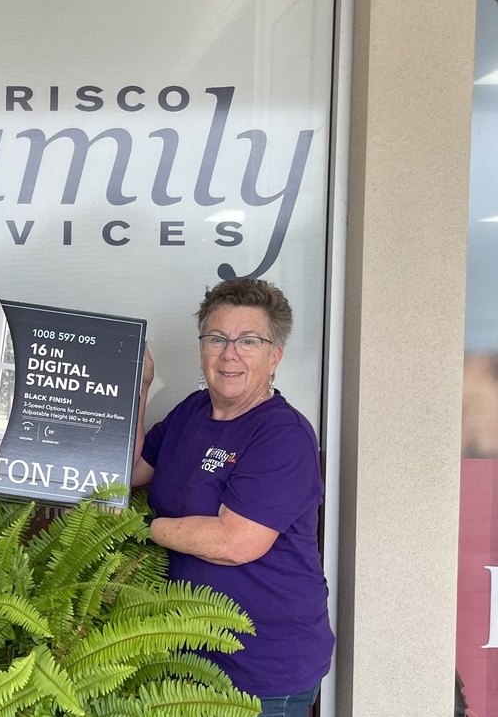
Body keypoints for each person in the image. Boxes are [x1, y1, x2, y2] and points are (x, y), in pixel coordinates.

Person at [132, 277, 334, 717]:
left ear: (274, 355)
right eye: (217, 338)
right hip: (184, 660)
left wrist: (140, 528)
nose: (230, 353)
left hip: (261, 671)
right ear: (202, 347)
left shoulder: (283, 435)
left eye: (248, 341)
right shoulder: (190, 411)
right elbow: (131, 471)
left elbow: (233, 542)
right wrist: (139, 385)